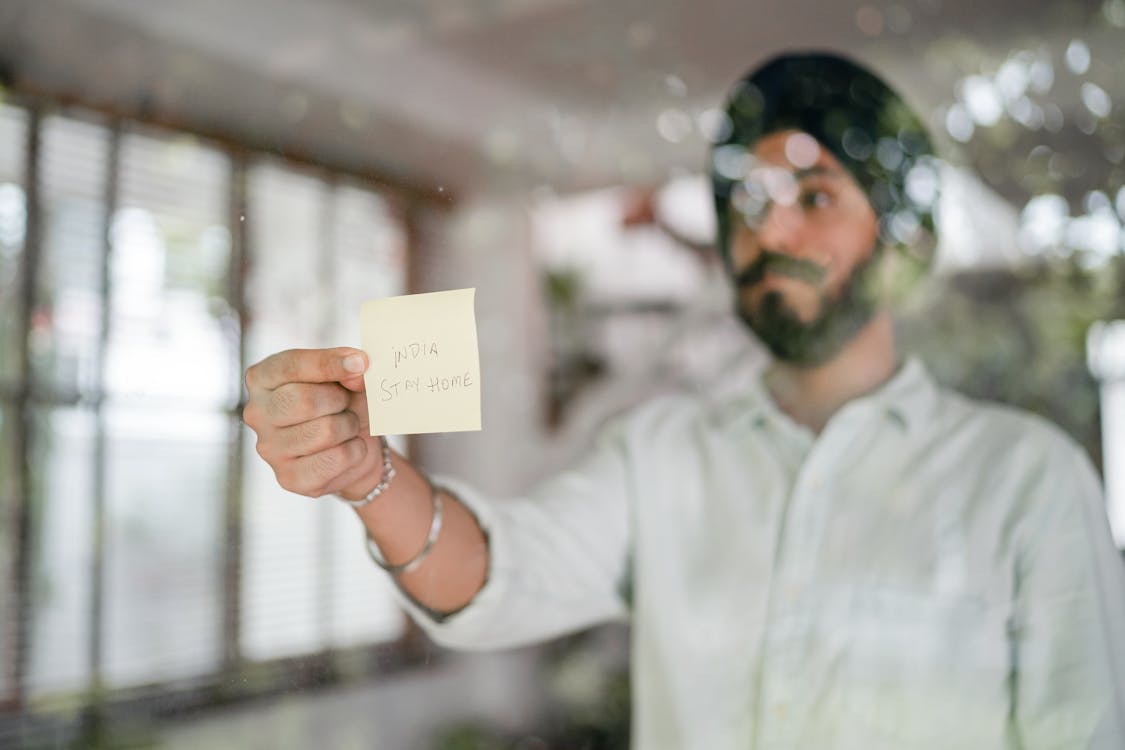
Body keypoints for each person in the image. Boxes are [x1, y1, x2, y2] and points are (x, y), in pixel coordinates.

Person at [242, 52, 1125, 748]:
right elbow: (502, 577)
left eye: (814, 196)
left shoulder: (1028, 482)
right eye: (746, 201)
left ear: (905, 238)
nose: (770, 228)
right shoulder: (659, 451)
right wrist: (365, 474)